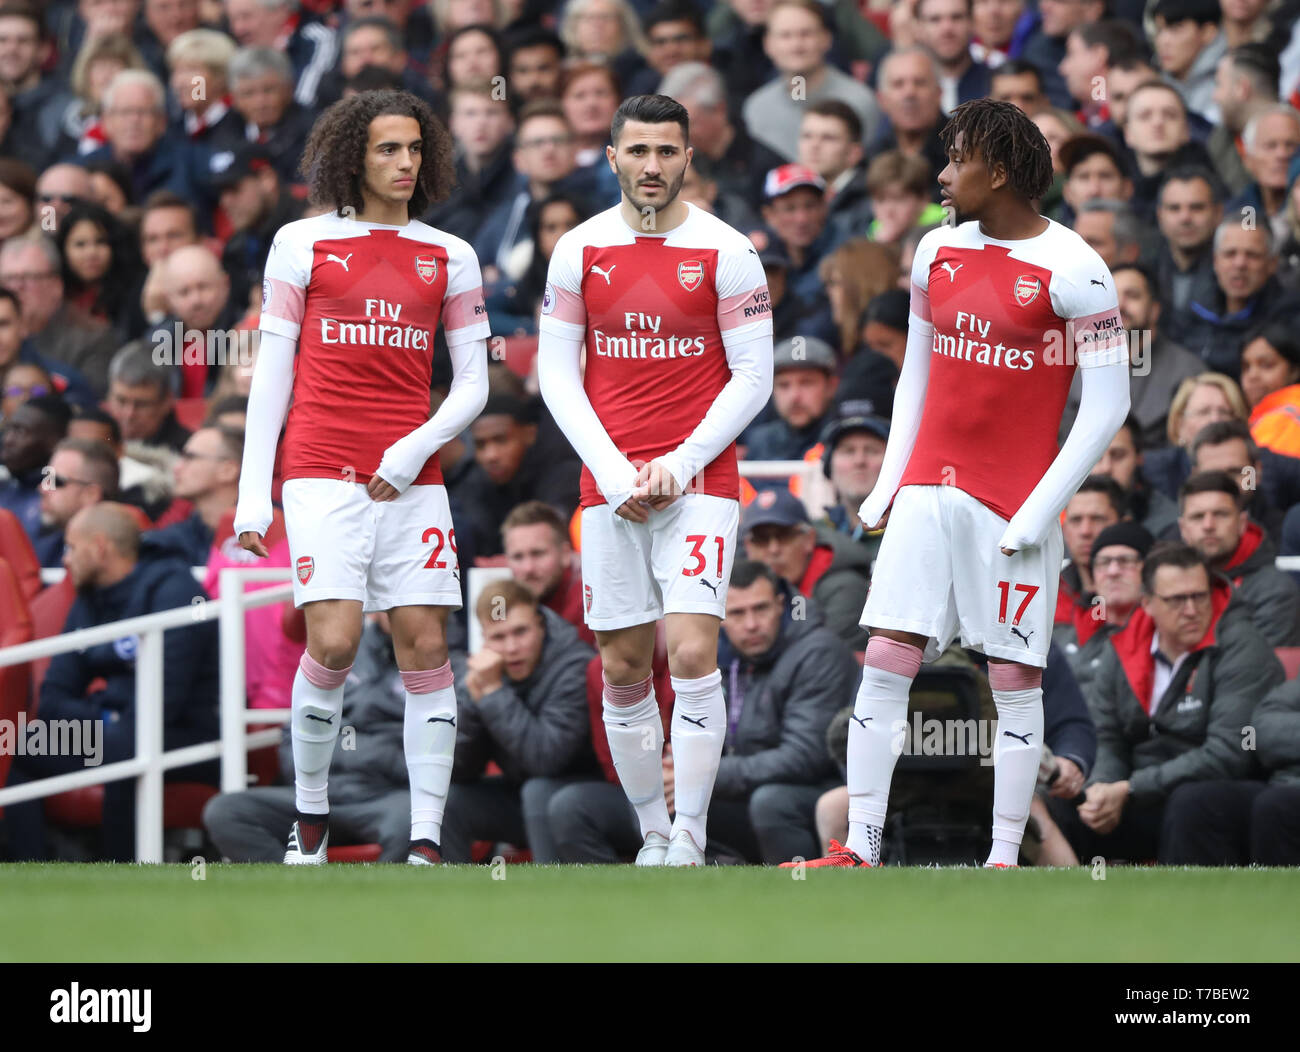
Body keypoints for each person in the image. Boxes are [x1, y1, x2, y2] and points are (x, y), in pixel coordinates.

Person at [791, 98, 1130, 870]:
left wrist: (1041, 508)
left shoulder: (1078, 268)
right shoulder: (933, 250)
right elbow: (916, 374)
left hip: (1011, 501)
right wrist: (886, 484)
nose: (941, 175)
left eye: (956, 161)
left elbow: (1110, 405)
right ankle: (862, 848)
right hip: (924, 492)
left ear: (1000, 172)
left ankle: (1004, 860)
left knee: (1014, 677)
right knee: (886, 656)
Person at [233, 89, 491, 866]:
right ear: (353, 154)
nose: (405, 163)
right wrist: (254, 496)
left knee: (424, 645)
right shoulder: (301, 244)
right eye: (388, 149)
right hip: (319, 470)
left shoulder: (451, 253)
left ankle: (424, 835)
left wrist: (414, 450)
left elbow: (475, 383)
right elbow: (271, 377)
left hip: (413, 478)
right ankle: (310, 815)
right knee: (337, 642)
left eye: (415, 148)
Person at [537, 93, 773, 866]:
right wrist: (612, 471)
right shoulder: (577, 249)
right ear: (611, 158)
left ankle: (694, 836)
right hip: (608, 487)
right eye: (637, 151)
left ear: (688, 159)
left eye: (667, 152)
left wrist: (680, 463)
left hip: (699, 484)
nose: (651, 166)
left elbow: (754, 378)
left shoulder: (728, 250)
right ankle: (653, 832)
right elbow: (556, 374)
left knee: (695, 649)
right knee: (624, 662)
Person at [2, 504, 218, 861]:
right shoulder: (90, 593)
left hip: (188, 735)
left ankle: (124, 876)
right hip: (113, 729)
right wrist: (101, 717)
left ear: (100, 547)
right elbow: (52, 697)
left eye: (72, 548)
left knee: (127, 752)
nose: (66, 560)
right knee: (11, 743)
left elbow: (163, 704)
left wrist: (102, 722)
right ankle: (31, 866)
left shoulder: (176, 591)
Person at [1046, 543, 1283, 864]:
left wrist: (1130, 789)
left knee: (1190, 803)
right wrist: (1102, 789)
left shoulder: (1243, 648)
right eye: (1176, 600)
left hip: (1213, 790)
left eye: (1199, 596)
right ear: (1147, 603)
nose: (1191, 609)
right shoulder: (1124, 645)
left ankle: (1184, 911)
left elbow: (1230, 753)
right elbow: (1106, 734)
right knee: (1064, 804)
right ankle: (1064, 908)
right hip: (1137, 792)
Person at [202, 614, 416, 862]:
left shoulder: (452, 662)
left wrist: (350, 751)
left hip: (394, 797)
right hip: (320, 792)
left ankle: (381, 902)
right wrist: (372, 752)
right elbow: (291, 744)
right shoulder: (338, 655)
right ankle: (299, 896)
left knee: (418, 826)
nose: (393, 604)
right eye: (386, 592)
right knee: (227, 811)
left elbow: (452, 757)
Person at [442, 579, 600, 862]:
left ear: (541, 625)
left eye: (521, 632)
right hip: (523, 795)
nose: (512, 647)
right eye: (499, 637)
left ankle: (550, 898)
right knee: (451, 802)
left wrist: (493, 694)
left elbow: (545, 759)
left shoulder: (574, 665)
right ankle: (456, 902)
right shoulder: (484, 674)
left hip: (582, 796)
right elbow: (461, 771)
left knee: (537, 791)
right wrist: (472, 705)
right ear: (484, 640)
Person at [1178, 469, 1300, 645]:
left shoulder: (1275, 590)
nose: (1208, 525)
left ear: (1242, 523)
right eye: (1198, 517)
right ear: (1183, 529)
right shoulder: (1166, 582)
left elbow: (1258, 667)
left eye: (1220, 514)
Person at [741, 486, 872, 649]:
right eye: (761, 539)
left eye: (785, 536)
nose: (773, 549)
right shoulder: (736, 591)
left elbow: (821, 659)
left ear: (809, 539)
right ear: (747, 547)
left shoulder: (844, 589)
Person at [1053, 521, 1154, 697]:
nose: (1113, 571)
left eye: (1126, 561)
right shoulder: (1068, 635)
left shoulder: (1164, 636)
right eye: (1104, 562)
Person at [501, 499, 594, 647]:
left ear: (565, 554)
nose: (528, 568)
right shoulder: (500, 600)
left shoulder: (590, 599)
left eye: (538, 554)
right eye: (518, 557)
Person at [33, 435, 119, 567]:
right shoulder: (43, 547)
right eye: (45, 477)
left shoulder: (116, 560)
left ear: (91, 495)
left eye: (56, 481)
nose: (42, 489)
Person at [0, 393, 72, 545]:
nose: (8, 440)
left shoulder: (63, 499)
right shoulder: (5, 486)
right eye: (9, 429)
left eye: (21, 431)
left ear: (55, 441)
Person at [1243, 321, 1300, 456]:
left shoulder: (1286, 419)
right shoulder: (1263, 415)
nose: (1252, 375)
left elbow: (1251, 475)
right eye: (1246, 367)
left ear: (1294, 371)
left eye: (1266, 365)